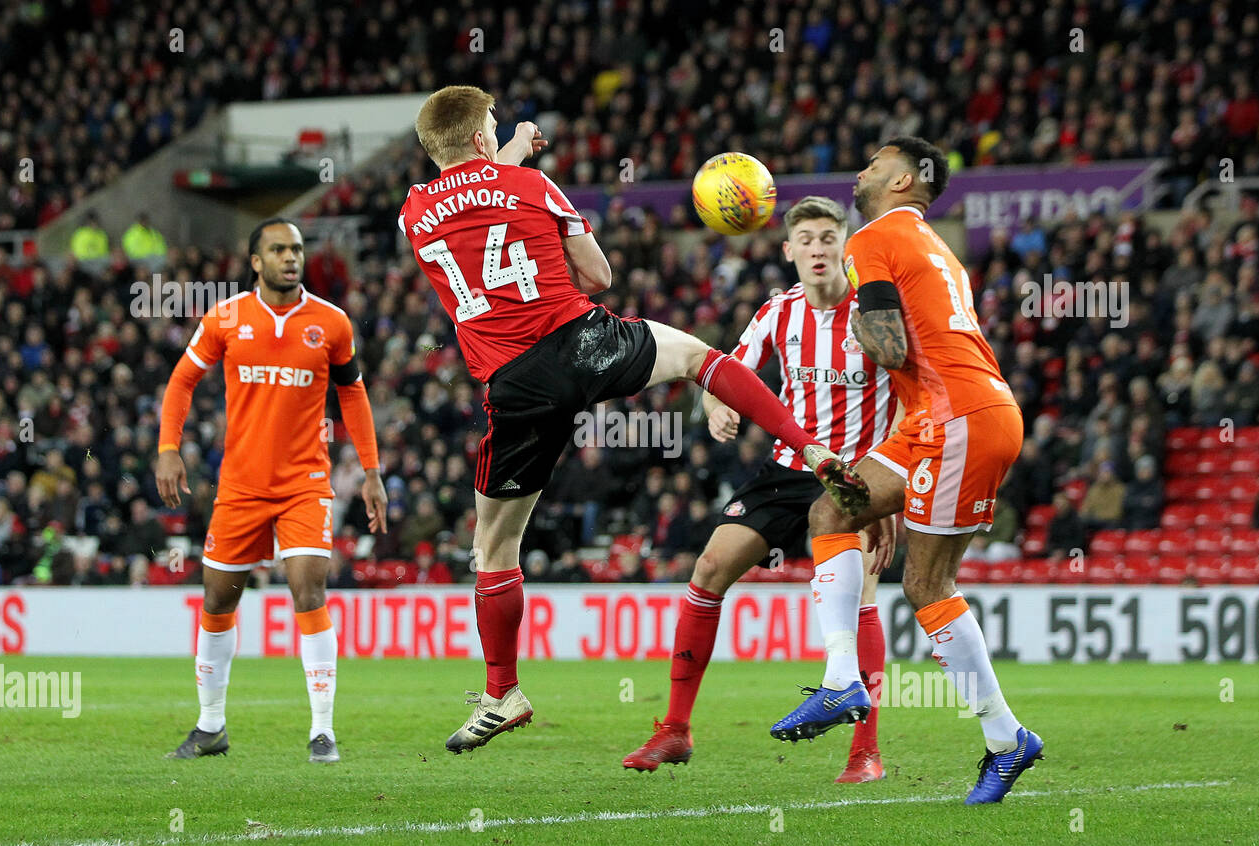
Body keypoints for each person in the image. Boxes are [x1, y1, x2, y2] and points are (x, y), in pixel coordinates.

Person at [400, 86, 864, 754]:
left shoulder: (414, 211)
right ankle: (810, 446)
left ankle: (503, 692)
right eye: (494, 128)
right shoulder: (534, 185)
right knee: (699, 358)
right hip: (581, 342)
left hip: (515, 386)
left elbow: (468, 187)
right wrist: (522, 167)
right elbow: (597, 275)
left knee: (492, 549)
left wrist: (505, 155)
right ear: (483, 138)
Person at [772, 136, 1043, 804]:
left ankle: (1007, 741)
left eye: (874, 163)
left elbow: (889, 344)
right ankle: (841, 679)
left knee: (925, 585)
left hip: (960, 420)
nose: (861, 171)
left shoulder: (874, 238)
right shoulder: (934, 245)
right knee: (833, 507)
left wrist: (853, 326)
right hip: (935, 418)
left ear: (904, 181)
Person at [622, 196, 899, 784]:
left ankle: (865, 753)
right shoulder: (779, 312)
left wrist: (888, 488)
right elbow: (729, 371)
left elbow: (912, 398)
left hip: (855, 471)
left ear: (845, 245)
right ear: (788, 250)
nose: (819, 249)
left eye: (829, 238)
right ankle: (674, 729)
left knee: (861, 600)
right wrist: (716, 404)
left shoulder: (873, 315)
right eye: (808, 239)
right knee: (709, 567)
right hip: (788, 469)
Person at [156, 218, 387, 763]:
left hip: (306, 482)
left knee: (309, 591)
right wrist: (169, 447)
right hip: (240, 486)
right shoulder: (227, 317)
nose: (291, 257)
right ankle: (211, 726)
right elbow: (181, 380)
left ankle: (323, 730)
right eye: (278, 249)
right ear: (256, 261)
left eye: (297, 249)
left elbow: (352, 395)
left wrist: (372, 470)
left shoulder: (330, 324)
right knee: (217, 600)